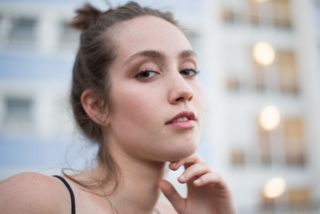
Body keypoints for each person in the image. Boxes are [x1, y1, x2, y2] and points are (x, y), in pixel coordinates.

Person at [0, 1, 235, 213]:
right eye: (147, 73)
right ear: (97, 106)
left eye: (188, 70)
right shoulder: (34, 200)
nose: (184, 90)